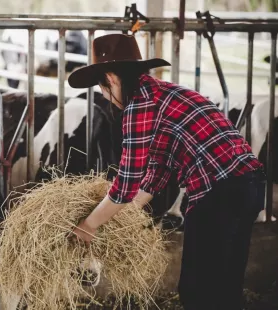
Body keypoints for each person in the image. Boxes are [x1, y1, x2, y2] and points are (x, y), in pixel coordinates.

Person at [67, 33, 266, 310]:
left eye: (102, 88)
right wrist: (131, 211)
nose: (106, 97)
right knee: (225, 286)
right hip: (249, 187)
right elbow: (159, 167)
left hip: (218, 194)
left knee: (197, 292)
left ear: (111, 79)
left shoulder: (139, 106)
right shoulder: (163, 93)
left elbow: (126, 182)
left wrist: (89, 225)